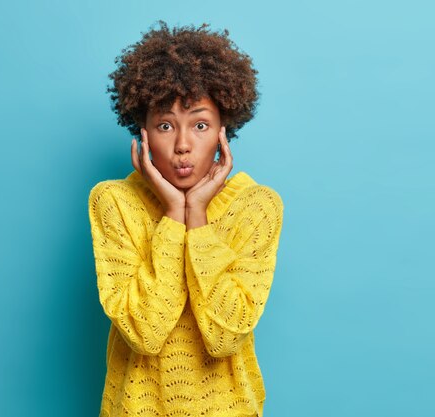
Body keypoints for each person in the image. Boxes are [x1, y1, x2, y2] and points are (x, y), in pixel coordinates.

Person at [88, 20, 284, 417]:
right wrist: (176, 213)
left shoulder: (257, 206)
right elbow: (145, 330)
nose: (182, 145)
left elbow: (225, 336)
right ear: (141, 132)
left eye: (199, 125)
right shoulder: (114, 202)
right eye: (164, 125)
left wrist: (197, 216)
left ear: (222, 132)